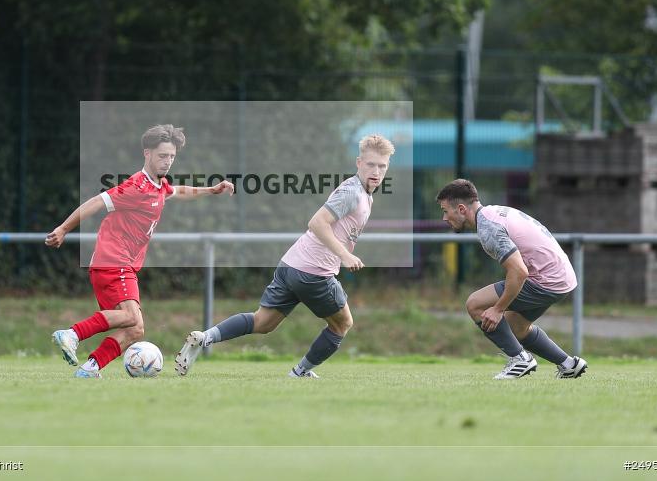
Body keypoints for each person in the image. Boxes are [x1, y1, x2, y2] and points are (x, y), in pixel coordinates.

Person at [175, 134, 395, 378]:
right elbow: (317, 222)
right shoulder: (352, 192)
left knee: (263, 322)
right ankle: (300, 372)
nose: (376, 171)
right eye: (371, 164)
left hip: (291, 265)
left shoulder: (363, 193)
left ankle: (204, 337)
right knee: (343, 324)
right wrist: (344, 255)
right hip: (314, 273)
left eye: (382, 166)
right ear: (358, 163)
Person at [47, 124, 234, 378]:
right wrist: (63, 228)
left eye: (171, 156)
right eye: (162, 156)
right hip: (115, 260)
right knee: (130, 315)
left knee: (135, 328)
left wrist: (210, 190)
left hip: (116, 264)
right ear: (147, 153)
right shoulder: (136, 186)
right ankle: (71, 334)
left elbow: (177, 191)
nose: (167, 161)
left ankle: (90, 369)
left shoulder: (159, 185)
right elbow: (96, 202)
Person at [436, 178, 588, 380]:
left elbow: (519, 272)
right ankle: (569, 365)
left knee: (475, 304)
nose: (444, 217)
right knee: (516, 326)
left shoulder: (488, 227)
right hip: (563, 277)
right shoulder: (494, 212)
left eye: (446, 210)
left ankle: (520, 359)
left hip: (547, 279)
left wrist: (498, 308)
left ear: (462, 209)